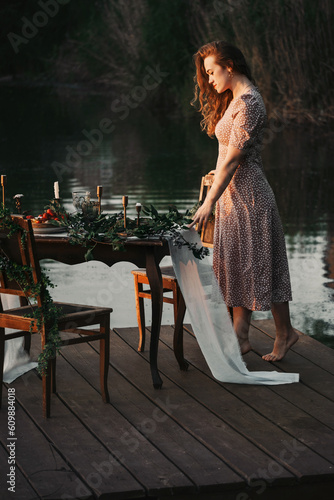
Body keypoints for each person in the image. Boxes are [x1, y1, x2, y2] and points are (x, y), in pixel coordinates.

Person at [189, 41, 299, 361]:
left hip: (250, 199)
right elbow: (229, 153)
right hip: (231, 198)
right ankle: (242, 337)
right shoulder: (235, 100)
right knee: (238, 267)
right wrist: (216, 176)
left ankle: (280, 334)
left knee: (264, 265)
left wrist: (208, 201)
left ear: (230, 67)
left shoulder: (250, 103)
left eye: (212, 72)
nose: (209, 80)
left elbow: (236, 159)